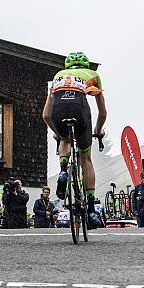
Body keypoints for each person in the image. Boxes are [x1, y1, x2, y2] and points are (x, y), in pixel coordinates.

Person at [42, 51, 106, 229]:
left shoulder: (57, 77)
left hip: (58, 110)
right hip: (80, 108)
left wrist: (58, 132)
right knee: (85, 159)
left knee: (65, 140)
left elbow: (46, 115)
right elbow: (102, 113)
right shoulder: (93, 75)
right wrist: (98, 131)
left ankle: (63, 170)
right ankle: (92, 210)